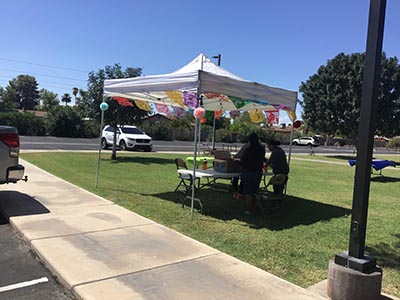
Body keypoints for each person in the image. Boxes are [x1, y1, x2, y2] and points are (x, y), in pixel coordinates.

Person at [240, 132, 265, 214]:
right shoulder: (262, 148)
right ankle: (254, 207)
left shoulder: (248, 149)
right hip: (258, 171)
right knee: (255, 190)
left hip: (248, 171)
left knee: (248, 191)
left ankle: (249, 209)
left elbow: (243, 160)